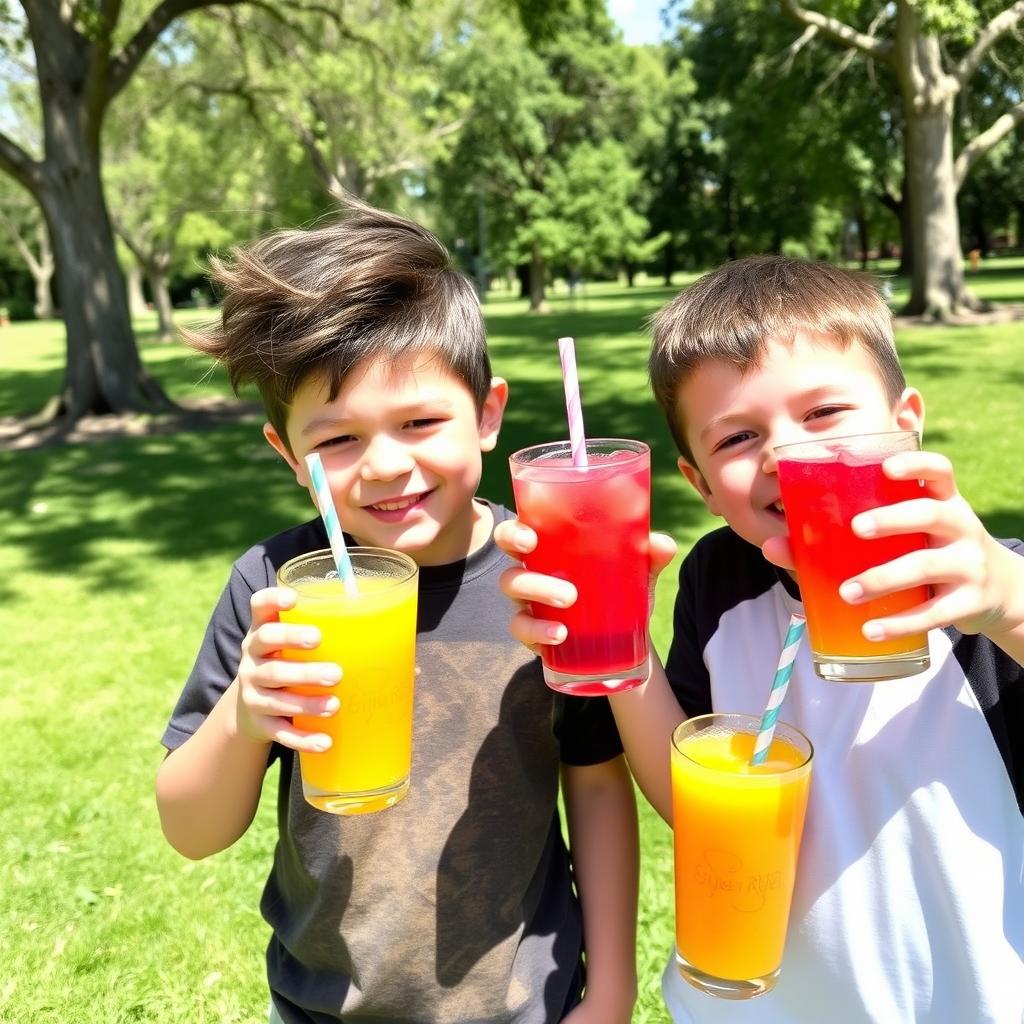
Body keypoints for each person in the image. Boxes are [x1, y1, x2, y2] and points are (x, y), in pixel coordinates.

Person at [496, 255, 1024, 1023]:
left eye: (823, 414)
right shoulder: (719, 584)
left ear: (906, 420)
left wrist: (1005, 603)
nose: (785, 454)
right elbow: (690, 797)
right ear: (701, 483)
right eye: (739, 437)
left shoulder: (974, 578)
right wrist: (623, 645)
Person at [155, 200, 639, 1024]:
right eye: (336, 441)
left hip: (526, 1004)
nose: (384, 465)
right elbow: (191, 828)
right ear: (289, 457)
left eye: (419, 422)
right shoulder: (274, 585)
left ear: (487, 415)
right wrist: (246, 713)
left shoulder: (544, 576)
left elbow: (594, 785)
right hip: (325, 1005)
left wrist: (614, 987)